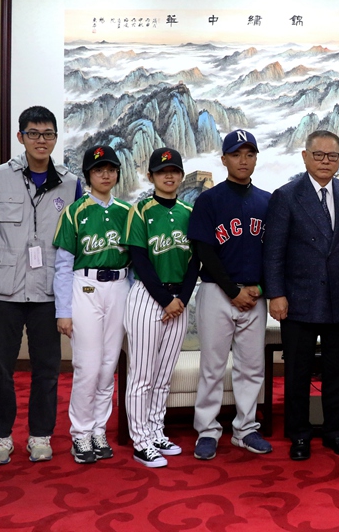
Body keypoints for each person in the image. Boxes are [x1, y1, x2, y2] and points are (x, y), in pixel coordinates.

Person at [0, 106, 82, 465]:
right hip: (2, 290)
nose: (41, 140)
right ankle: (0, 437)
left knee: (47, 368)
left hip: (47, 291)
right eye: (34, 133)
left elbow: (75, 240)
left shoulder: (70, 184)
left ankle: (40, 435)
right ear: (20, 137)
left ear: (55, 138)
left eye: (48, 134)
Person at [264, 129, 339, 461]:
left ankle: (335, 431)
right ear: (305, 156)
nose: (325, 161)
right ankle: (299, 434)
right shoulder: (286, 196)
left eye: (332, 156)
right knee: (297, 373)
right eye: (318, 155)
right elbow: (273, 252)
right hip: (298, 300)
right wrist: (276, 294)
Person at [189, 130, 272, 460]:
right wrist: (233, 290)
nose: (243, 160)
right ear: (224, 159)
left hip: (254, 294)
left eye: (249, 154)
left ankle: (245, 429)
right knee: (213, 366)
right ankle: (207, 429)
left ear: (256, 159)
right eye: (236, 154)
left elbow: (274, 252)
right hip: (217, 291)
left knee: (252, 367)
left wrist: (261, 288)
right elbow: (204, 251)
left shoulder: (267, 201)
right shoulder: (209, 200)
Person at [53, 145, 131, 464]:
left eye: (111, 169)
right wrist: (63, 311)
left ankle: (99, 429)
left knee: (108, 365)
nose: (105, 174)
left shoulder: (128, 212)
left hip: (120, 287)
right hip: (85, 286)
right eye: (99, 169)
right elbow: (62, 265)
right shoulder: (74, 212)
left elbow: (136, 262)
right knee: (88, 365)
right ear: (88, 175)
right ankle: (81, 433)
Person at [123, 147, 198, 468]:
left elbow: (195, 261)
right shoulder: (140, 211)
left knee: (164, 376)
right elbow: (139, 259)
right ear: (150, 176)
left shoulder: (188, 212)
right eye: (162, 171)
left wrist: (181, 299)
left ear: (181, 175)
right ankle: (140, 441)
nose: (169, 176)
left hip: (179, 301)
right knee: (142, 375)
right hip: (147, 296)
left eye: (174, 171)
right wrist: (167, 301)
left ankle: (156, 432)